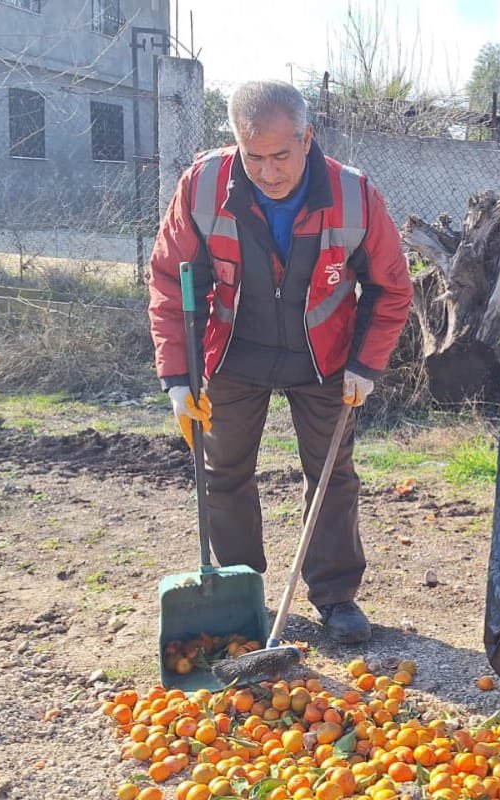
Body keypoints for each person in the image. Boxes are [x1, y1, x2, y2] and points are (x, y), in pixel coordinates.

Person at [148, 80, 413, 644]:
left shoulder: (352, 194)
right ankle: (243, 590)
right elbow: (172, 279)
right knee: (222, 473)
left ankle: (335, 597)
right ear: (236, 143)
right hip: (232, 353)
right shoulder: (203, 185)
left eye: (280, 157)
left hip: (325, 358)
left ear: (307, 137)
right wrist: (177, 378)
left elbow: (391, 288)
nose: (267, 173)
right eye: (254, 157)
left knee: (331, 476)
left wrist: (366, 366)